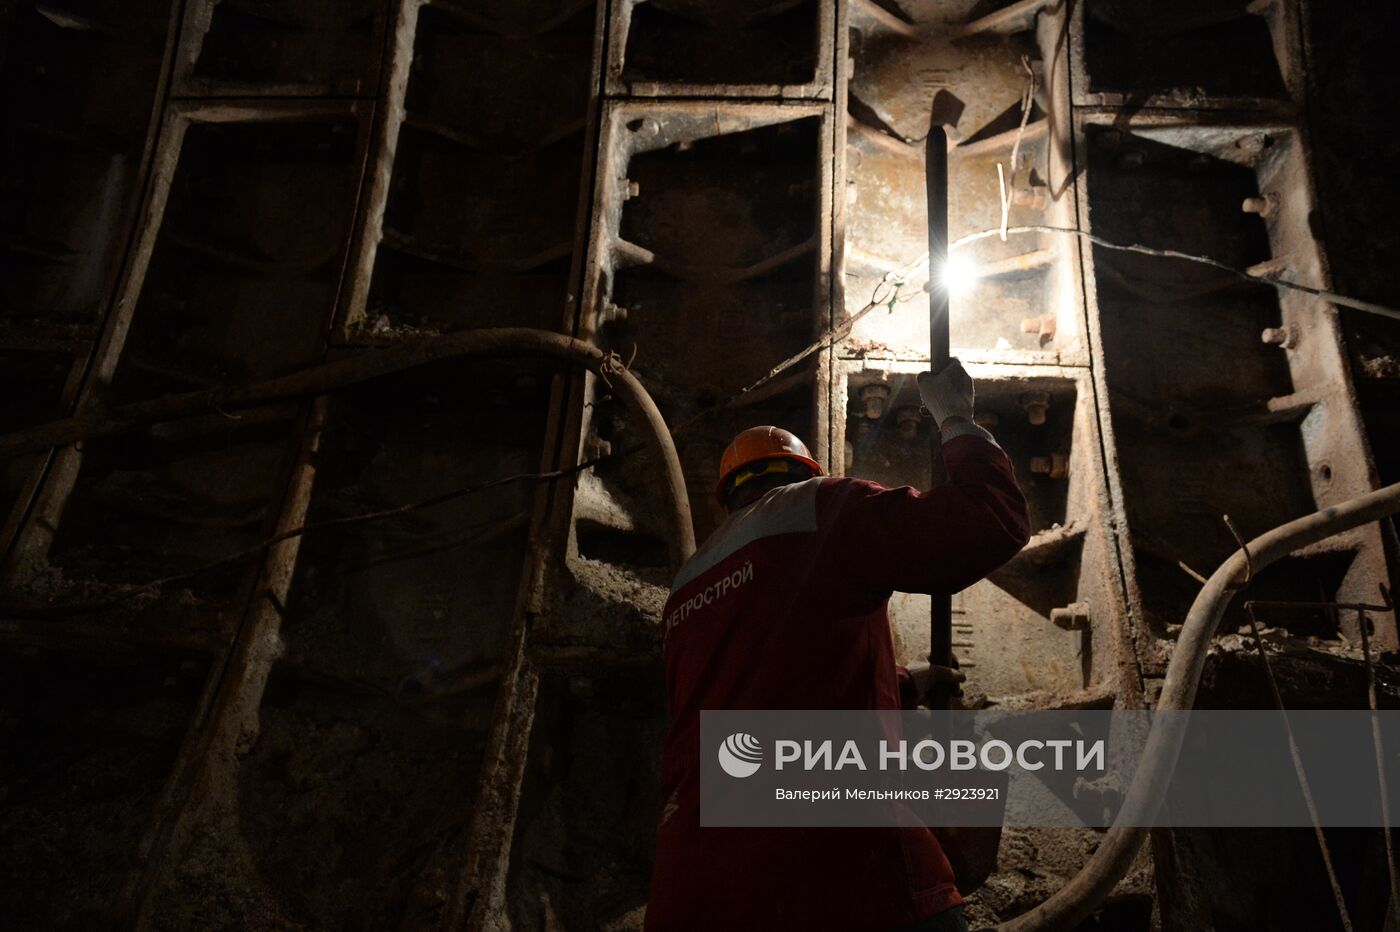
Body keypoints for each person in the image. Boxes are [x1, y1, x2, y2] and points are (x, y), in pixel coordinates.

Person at [645, 360, 1030, 931]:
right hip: (829, 862)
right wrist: (956, 417)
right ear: (802, 471)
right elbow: (984, 521)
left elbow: (756, 687)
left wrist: (900, 682)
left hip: (692, 882)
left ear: (729, 495)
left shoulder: (687, 587)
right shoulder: (817, 508)